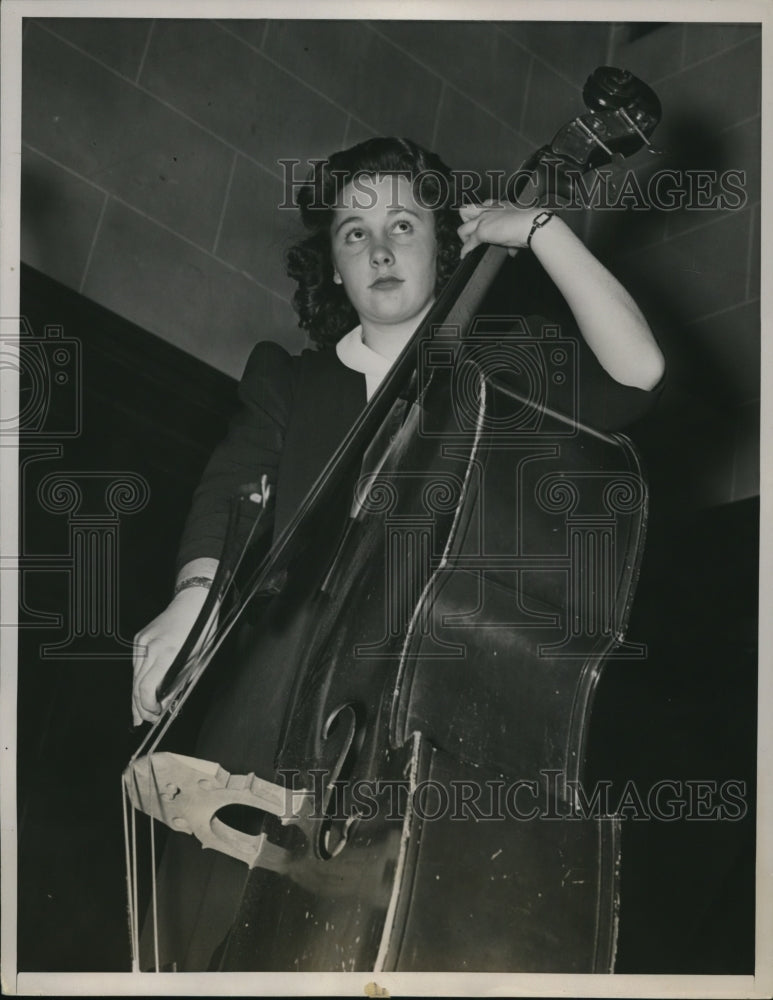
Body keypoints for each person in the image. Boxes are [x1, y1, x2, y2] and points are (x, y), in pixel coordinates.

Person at [132, 135, 665, 728]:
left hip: (435, 708)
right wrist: (194, 596)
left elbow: (638, 372)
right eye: (355, 233)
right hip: (274, 703)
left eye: (404, 226)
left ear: (443, 245)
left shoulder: (508, 373)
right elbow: (231, 490)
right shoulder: (289, 381)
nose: (379, 251)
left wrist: (541, 229)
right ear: (335, 267)